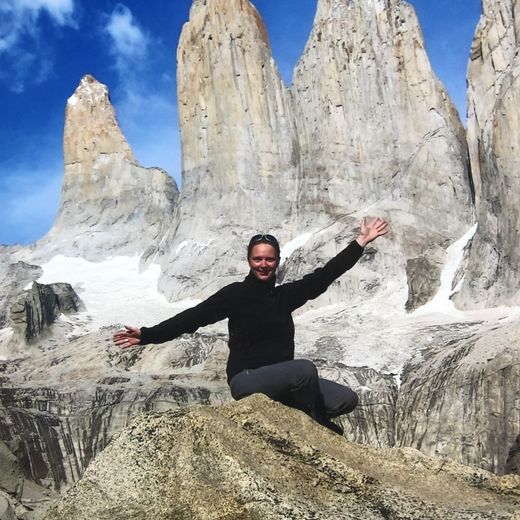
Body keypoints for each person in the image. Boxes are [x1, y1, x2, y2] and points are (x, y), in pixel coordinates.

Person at [114, 217, 389, 434]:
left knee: (346, 399)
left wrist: (360, 242)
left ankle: (293, 408)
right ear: (249, 261)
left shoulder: (285, 296)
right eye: (258, 259)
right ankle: (313, 423)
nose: (264, 265)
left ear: (278, 262)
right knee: (304, 370)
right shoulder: (235, 295)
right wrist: (149, 335)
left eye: (269, 259)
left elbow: (324, 276)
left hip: (283, 382)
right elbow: (193, 317)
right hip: (246, 379)